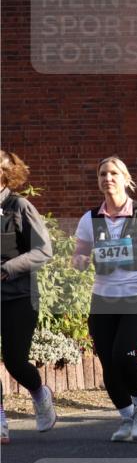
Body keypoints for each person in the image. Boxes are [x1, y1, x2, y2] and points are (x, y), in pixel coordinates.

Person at [71, 156, 137, 441]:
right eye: (102, 174)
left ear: (125, 178)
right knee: (108, 364)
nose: (107, 178)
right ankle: (127, 418)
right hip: (103, 298)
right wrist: (79, 260)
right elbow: (81, 251)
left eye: (113, 173)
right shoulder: (90, 219)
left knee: (123, 354)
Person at [1, 150, 56, 444]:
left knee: (14, 360)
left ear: (4, 174)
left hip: (18, 296)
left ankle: (39, 393)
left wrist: (7, 269)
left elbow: (43, 250)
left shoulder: (19, 206)